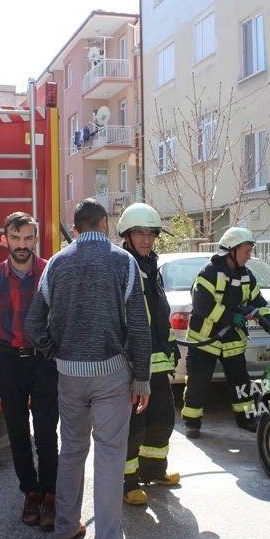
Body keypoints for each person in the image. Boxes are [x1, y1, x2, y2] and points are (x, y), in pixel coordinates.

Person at [25, 198, 151, 539]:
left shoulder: (57, 263)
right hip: (112, 375)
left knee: (72, 450)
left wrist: (54, 350)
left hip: (68, 375)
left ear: (76, 227)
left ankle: (65, 526)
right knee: (110, 459)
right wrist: (142, 378)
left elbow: (33, 325)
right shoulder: (122, 261)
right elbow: (139, 327)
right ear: (106, 223)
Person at [0, 212, 59, 531]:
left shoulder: (50, 273)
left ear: (35, 240)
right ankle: (30, 493)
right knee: (17, 434)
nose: (22, 245)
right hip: (10, 361)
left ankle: (51, 495)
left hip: (45, 362)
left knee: (44, 434)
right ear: (5, 241)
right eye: (16, 238)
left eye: (28, 238)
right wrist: (8, 347)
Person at [181, 227, 270, 438]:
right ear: (231, 251)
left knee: (241, 382)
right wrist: (229, 317)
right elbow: (201, 304)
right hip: (205, 339)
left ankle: (246, 418)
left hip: (233, 340)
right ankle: (192, 421)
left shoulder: (246, 275)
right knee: (198, 381)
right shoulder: (209, 272)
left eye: (249, 250)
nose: (249, 255)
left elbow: (258, 303)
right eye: (245, 251)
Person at [116, 203, 181, 507]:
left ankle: (153, 470)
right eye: (139, 233)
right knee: (132, 426)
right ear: (126, 236)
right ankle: (127, 482)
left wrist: (171, 347)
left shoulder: (151, 266)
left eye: (151, 233)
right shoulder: (122, 267)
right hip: (132, 366)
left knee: (162, 418)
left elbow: (158, 314)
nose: (146, 239)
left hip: (157, 362)